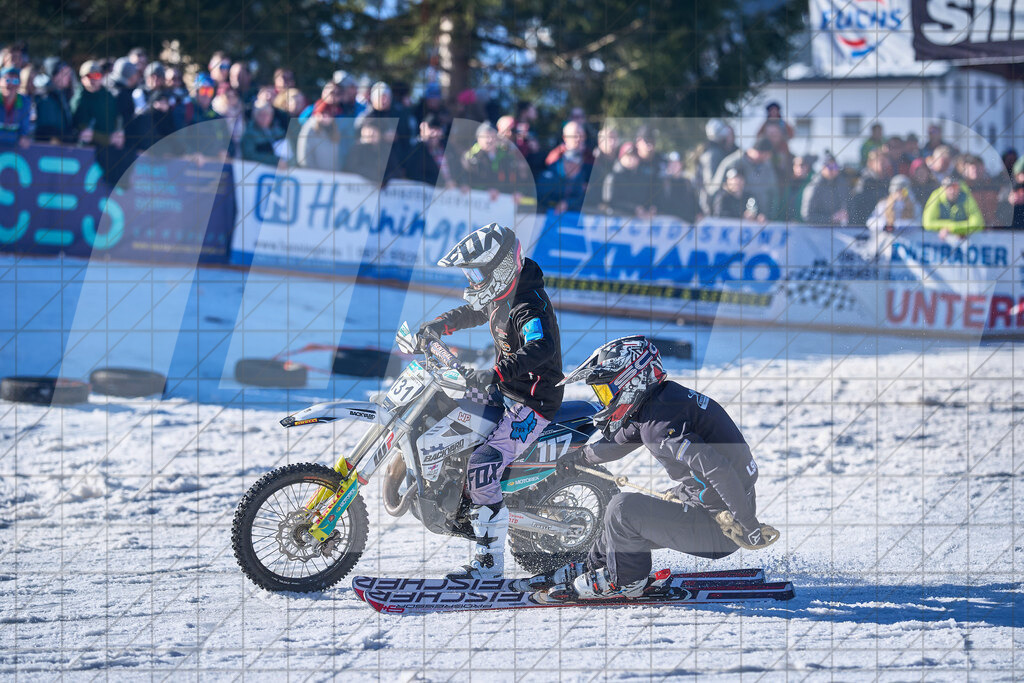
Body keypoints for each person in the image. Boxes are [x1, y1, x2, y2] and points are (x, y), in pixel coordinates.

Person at [547, 336, 776, 599]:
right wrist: (579, 459)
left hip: (720, 528)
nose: (605, 400)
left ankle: (626, 580)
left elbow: (717, 468)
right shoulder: (659, 403)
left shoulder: (659, 426)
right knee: (618, 521)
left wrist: (748, 524)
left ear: (631, 380)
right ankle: (594, 565)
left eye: (606, 391)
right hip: (711, 502)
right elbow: (619, 442)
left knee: (622, 511)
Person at [416, 223, 564, 580]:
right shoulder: (502, 294)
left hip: (532, 402)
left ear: (499, 270)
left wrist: (497, 372)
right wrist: (435, 328)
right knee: (439, 413)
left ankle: (489, 563)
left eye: (476, 273)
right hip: (506, 389)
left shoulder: (529, 306)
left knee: (482, 465)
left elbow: (539, 347)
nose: (471, 281)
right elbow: (471, 313)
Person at [712, 138, 779, 221]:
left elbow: (773, 192)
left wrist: (768, 215)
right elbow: (715, 189)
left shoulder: (767, 166)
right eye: (765, 155)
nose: (766, 158)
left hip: (758, 220)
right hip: (732, 219)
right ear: (758, 152)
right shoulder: (733, 162)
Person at [537, 121, 593, 213]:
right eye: (575, 135)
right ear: (564, 138)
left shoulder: (591, 159)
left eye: (582, 135)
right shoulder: (553, 159)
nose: (579, 139)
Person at [800, 154, 850, 225]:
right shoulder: (814, 187)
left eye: (835, 167)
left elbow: (849, 207)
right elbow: (807, 216)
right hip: (818, 232)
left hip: (838, 231)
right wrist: (831, 218)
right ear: (822, 168)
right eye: (829, 167)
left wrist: (845, 214)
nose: (832, 170)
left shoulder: (842, 185)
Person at [0, 66, 32, 147]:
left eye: (15, 81)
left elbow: (24, 132)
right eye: (7, 80)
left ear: (19, 84)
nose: (10, 84)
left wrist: (23, 138)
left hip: (13, 152)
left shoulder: (25, 102)